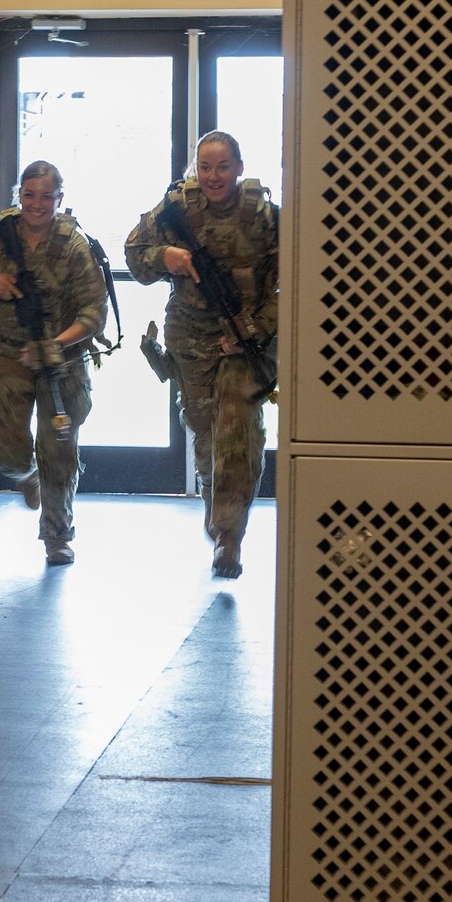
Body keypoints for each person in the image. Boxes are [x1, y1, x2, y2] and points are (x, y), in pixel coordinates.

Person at [125, 131, 279, 578]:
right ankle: (215, 505)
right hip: (190, 339)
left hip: (245, 340)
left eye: (223, 166)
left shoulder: (264, 217)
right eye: (205, 167)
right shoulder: (177, 208)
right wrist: (165, 255)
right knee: (206, 433)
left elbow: (288, 282)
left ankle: (229, 537)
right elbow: (134, 257)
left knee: (237, 427)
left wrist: (255, 328)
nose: (214, 176)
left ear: (240, 167)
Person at [0, 160, 107, 566]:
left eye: (46, 197)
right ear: (19, 195)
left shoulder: (73, 246)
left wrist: (55, 343)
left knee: (58, 451)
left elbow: (94, 314)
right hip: (8, 355)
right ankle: (27, 477)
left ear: (60, 199)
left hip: (63, 360)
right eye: (29, 195)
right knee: (7, 452)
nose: (36, 204)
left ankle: (57, 536)